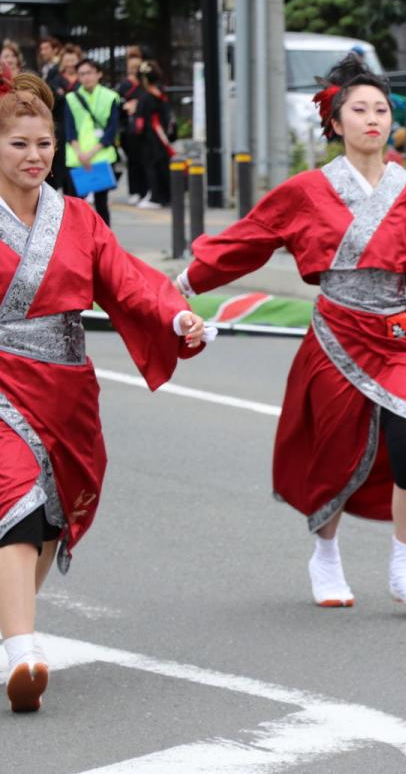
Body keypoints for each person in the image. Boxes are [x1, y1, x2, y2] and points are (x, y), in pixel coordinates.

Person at [177, 56, 406, 611]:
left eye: (381, 109)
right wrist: (181, 284)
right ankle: (326, 556)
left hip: (395, 337)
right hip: (335, 334)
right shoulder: (306, 190)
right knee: (332, 451)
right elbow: (248, 240)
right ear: (336, 121)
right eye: (360, 109)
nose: (373, 118)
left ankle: (403, 570)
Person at [0, 70, 209, 713]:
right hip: (2, 380)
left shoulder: (79, 218)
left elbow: (127, 281)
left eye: (43, 144)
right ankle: (23, 648)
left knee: (54, 518)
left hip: (67, 387)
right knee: (19, 506)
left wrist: (175, 316)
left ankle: (14, 626)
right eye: (17, 144)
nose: (35, 157)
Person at [64, 58, 120, 225]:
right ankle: (77, 241)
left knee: (102, 203)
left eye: (89, 72)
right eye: (81, 74)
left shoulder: (110, 97)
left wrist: (90, 153)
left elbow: (111, 130)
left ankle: (105, 242)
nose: (86, 77)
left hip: (100, 156)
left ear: (98, 74)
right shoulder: (71, 98)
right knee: (75, 204)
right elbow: (69, 130)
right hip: (77, 156)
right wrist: (81, 153)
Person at [134, 60, 173, 209]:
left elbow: (140, 121)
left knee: (152, 166)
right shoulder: (161, 93)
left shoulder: (146, 97)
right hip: (161, 136)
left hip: (150, 137)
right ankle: (164, 196)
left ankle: (156, 198)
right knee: (161, 166)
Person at [46, 43, 80, 197]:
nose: (70, 63)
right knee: (60, 157)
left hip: (80, 124)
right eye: (67, 60)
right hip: (60, 123)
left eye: (73, 60)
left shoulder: (82, 79)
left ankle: (79, 187)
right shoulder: (55, 79)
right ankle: (59, 187)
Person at [116, 46, 147, 206]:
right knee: (133, 161)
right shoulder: (124, 85)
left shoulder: (145, 83)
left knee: (144, 160)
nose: (135, 70)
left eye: (137, 67)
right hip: (129, 128)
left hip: (144, 127)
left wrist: (139, 104)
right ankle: (134, 191)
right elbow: (118, 105)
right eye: (132, 67)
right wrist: (126, 106)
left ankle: (145, 191)